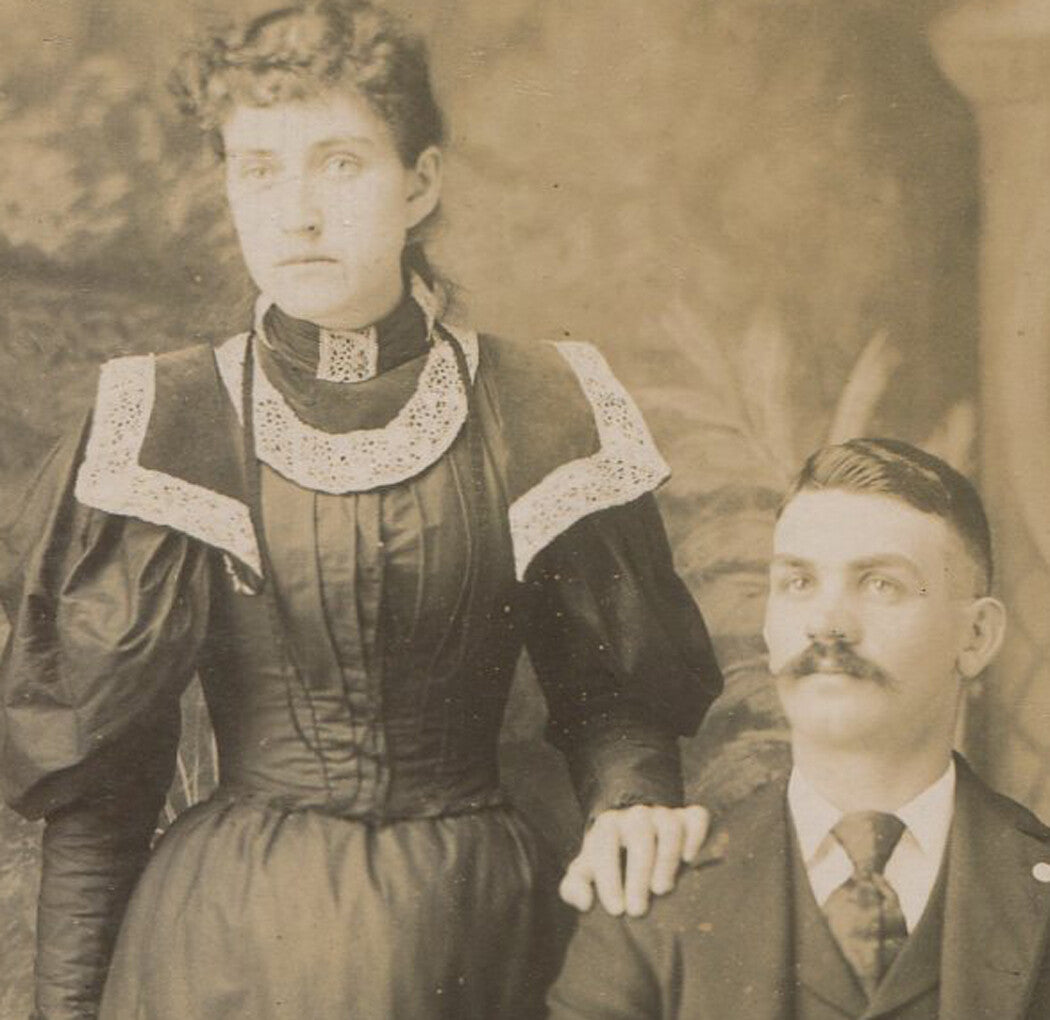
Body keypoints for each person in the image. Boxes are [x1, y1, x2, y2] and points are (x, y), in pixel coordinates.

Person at [0, 3, 723, 1018]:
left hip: (474, 936)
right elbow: (100, 800)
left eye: (339, 163)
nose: (296, 211)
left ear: (419, 183)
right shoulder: (164, 419)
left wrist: (636, 797)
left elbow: (611, 704)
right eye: (260, 167)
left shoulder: (541, 405)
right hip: (225, 951)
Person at [548, 438, 1050, 1020]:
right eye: (799, 582)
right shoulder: (648, 896)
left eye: (880, 584)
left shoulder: (1034, 888)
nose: (827, 624)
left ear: (976, 637)